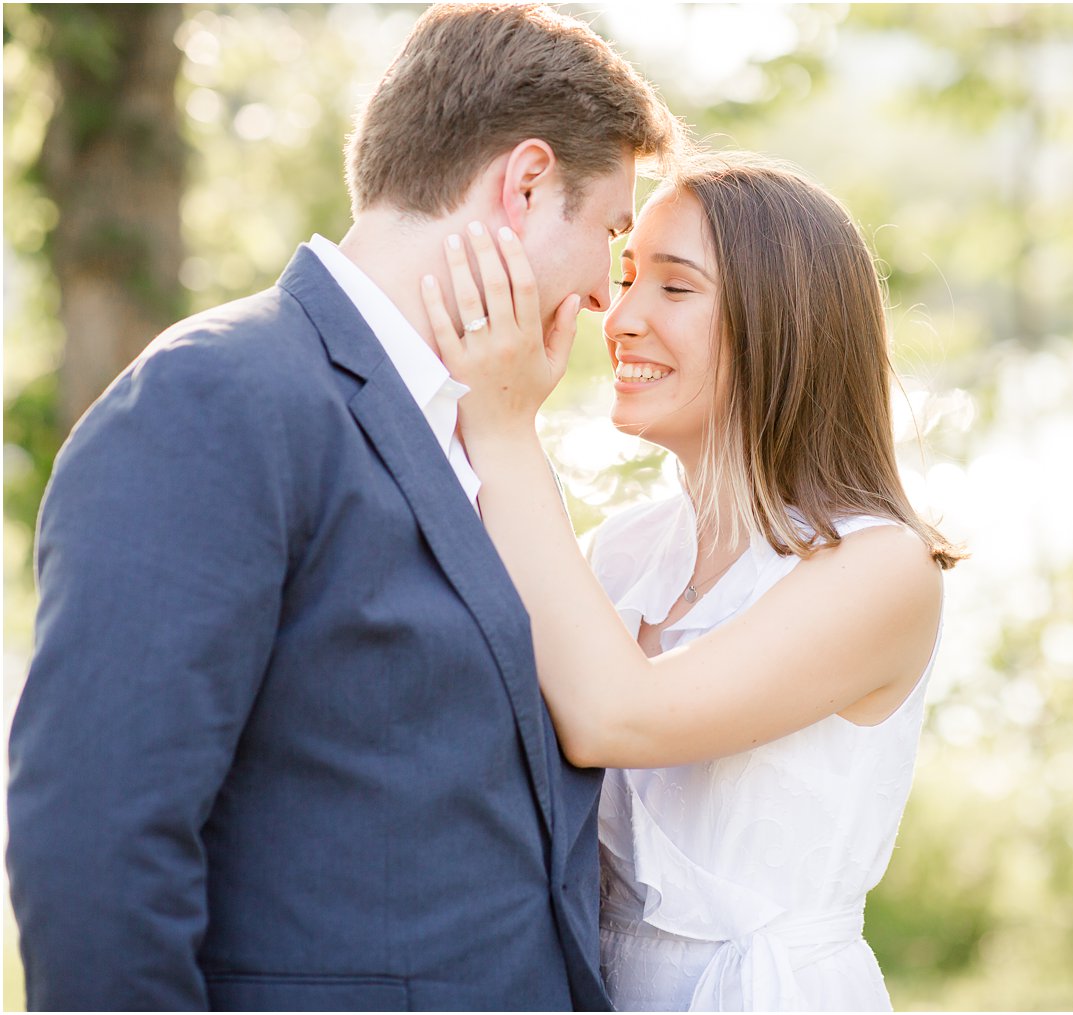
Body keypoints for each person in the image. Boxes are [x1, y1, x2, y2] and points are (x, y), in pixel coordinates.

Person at [7, 5, 680, 1010]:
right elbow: (97, 840)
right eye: (609, 235)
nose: (599, 297)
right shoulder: (219, 398)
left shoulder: (476, 432)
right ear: (527, 184)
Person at [420, 153, 965, 1011]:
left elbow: (617, 716)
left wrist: (501, 424)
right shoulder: (627, 551)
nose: (621, 316)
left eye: (673, 290)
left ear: (785, 326)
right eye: (628, 275)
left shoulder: (881, 567)